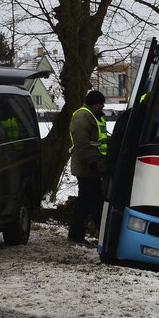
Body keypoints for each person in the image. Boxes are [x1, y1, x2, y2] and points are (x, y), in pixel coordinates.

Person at [68, 89, 108, 243]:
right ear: (95, 103)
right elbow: (82, 144)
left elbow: (98, 141)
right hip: (87, 167)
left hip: (92, 166)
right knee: (93, 201)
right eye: (101, 104)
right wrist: (92, 162)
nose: (102, 107)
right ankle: (100, 234)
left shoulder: (92, 116)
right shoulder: (82, 116)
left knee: (85, 202)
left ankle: (76, 235)